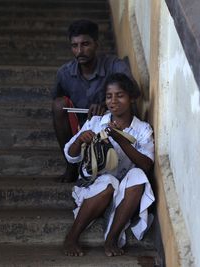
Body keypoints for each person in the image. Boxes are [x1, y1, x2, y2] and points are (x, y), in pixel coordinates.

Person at [63, 73, 155, 257]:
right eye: (109, 96)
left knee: (139, 176)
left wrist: (121, 139)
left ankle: (111, 238)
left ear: (131, 98)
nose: (113, 101)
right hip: (96, 189)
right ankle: (72, 238)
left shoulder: (143, 129)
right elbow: (70, 155)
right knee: (108, 182)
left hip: (125, 194)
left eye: (120, 95)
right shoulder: (96, 122)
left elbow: (146, 164)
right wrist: (80, 140)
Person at [52, 19, 132, 183]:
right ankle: (71, 166)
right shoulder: (64, 73)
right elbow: (57, 105)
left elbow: (134, 92)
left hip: (110, 127)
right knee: (58, 105)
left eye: (85, 44)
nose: (80, 50)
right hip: (80, 132)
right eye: (75, 46)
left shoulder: (114, 65)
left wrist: (106, 104)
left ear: (97, 44)